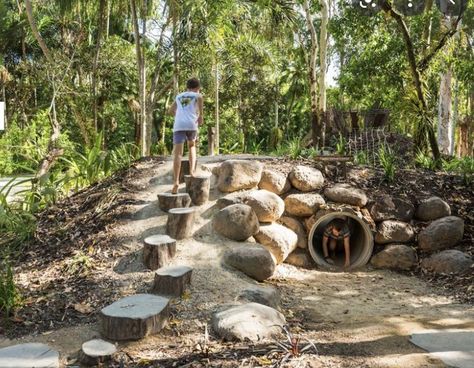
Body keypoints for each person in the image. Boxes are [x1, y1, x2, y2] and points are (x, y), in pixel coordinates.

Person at [168, 78, 204, 194]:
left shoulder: (179, 96)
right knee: (191, 146)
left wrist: (179, 117)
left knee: (177, 154)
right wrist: (199, 117)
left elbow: (170, 110)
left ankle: (176, 182)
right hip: (191, 124)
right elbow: (201, 116)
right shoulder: (198, 96)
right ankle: (192, 171)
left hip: (179, 124)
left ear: (187, 87)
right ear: (197, 88)